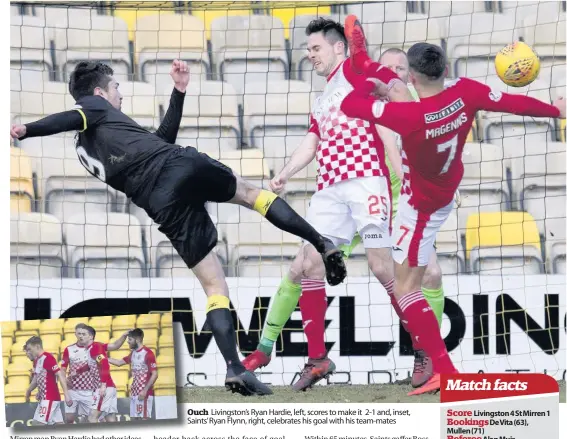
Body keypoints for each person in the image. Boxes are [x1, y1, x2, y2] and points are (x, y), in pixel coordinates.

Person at [10, 59, 348, 396]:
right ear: (98, 93)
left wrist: (179, 93)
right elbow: (72, 117)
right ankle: (321, 243)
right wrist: (28, 129)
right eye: (116, 88)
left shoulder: (94, 142)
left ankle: (233, 368)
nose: (120, 95)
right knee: (250, 193)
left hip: (161, 204)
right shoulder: (92, 109)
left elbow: (161, 139)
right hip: (177, 166)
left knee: (214, 286)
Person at [340, 29, 566, 394]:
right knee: (410, 280)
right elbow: (514, 104)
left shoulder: (408, 115)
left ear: (411, 78)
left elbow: (350, 105)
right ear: (445, 68)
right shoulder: (466, 92)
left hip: (420, 209)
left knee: (405, 288)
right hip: (445, 190)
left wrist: (368, 81)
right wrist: (556, 110)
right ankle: (441, 367)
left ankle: (444, 370)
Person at [243, 46, 450, 390]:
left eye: (401, 68)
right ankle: (266, 350)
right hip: (359, 194)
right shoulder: (362, 95)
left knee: (429, 272)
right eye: (388, 67)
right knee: (302, 265)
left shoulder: (412, 104)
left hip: (398, 202)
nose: (394, 73)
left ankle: (425, 353)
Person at [60, 323, 129, 423]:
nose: (80, 336)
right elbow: (90, 365)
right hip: (106, 388)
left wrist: (103, 385)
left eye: (84, 334)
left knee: (92, 417)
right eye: (79, 334)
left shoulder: (95, 347)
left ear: (91, 336)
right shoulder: (90, 349)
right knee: (110, 419)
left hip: (103, 388)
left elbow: (104, 363)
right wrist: (78, 371)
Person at [108, 328, 158, 421]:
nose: (128, 342)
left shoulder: (148, 353)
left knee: (143, 421)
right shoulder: (133, 353)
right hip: (134, 391)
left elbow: (155, 374)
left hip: (143, 393)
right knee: (135, 421)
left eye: (130, 339)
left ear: (138, 340)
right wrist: (102, 358)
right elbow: (119, 362)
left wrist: (145, 390)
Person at [24, 336, 72, 426]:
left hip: (49, 398)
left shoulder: (48, 358)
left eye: (30, 349)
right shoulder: (36, 361)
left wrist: (66, 394)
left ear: (37, 347)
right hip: (45, 398)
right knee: (59, 425)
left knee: (37, 424)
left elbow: (60, 375)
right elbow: (37, 379)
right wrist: (29, 390)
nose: (29, 352)